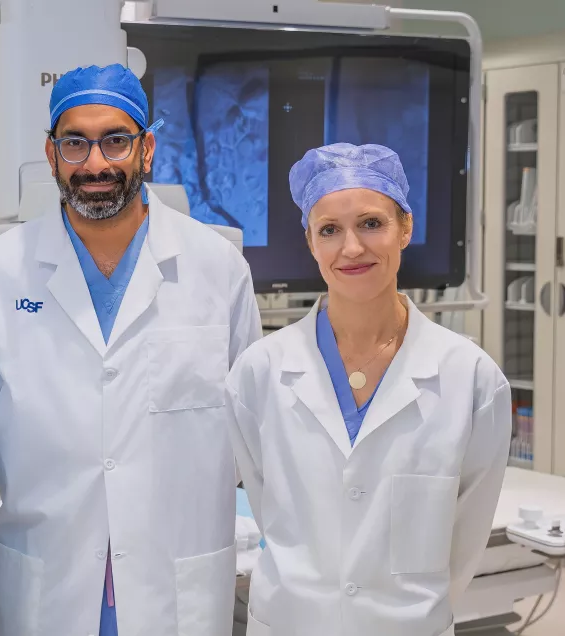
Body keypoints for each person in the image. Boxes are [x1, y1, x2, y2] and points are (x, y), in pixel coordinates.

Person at [0, 63, 263, 636]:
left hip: (177, 583)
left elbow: (248, 429)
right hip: (50, 578)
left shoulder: (218, 271)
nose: (95, 164)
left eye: (115, 141)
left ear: (146, 149)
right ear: (51, 156)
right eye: (75, 143)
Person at [224, 143, 512, 636]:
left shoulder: (471, 378)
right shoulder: (260, 372)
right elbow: (265, 501)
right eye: (329, 230)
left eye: (371, 224)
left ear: (406, 229)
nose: (351, 248)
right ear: (310, 243)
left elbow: (465, 539)